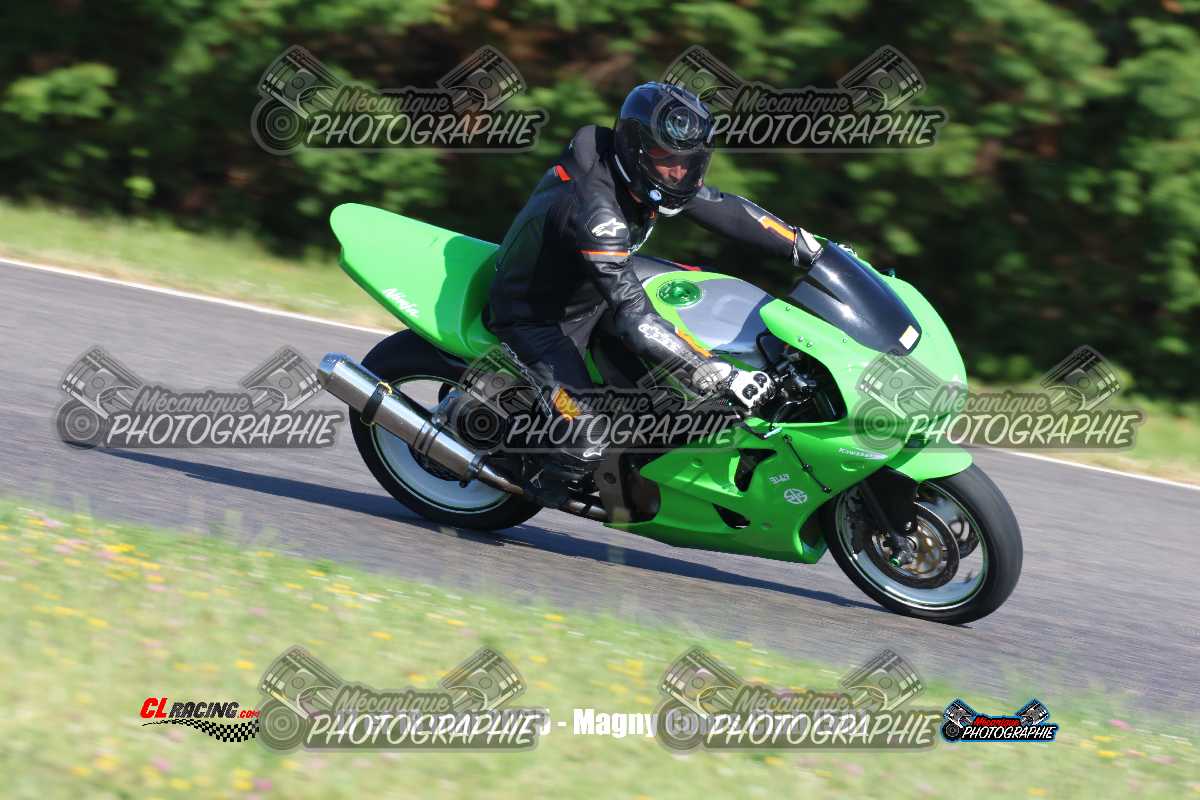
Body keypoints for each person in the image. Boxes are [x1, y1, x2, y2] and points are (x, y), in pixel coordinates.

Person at [483, 82, 822, 495]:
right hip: (538, 320)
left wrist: (804, 246)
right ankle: (519, 479)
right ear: (635, 149)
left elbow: (722, 207)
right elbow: (636, 321)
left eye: (690, 161)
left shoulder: (643, 173)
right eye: (667, 159)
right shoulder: (598, 213)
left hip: (592, 287)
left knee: (703, 308)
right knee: (587, 443)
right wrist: (717, 373)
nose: (680, 172)